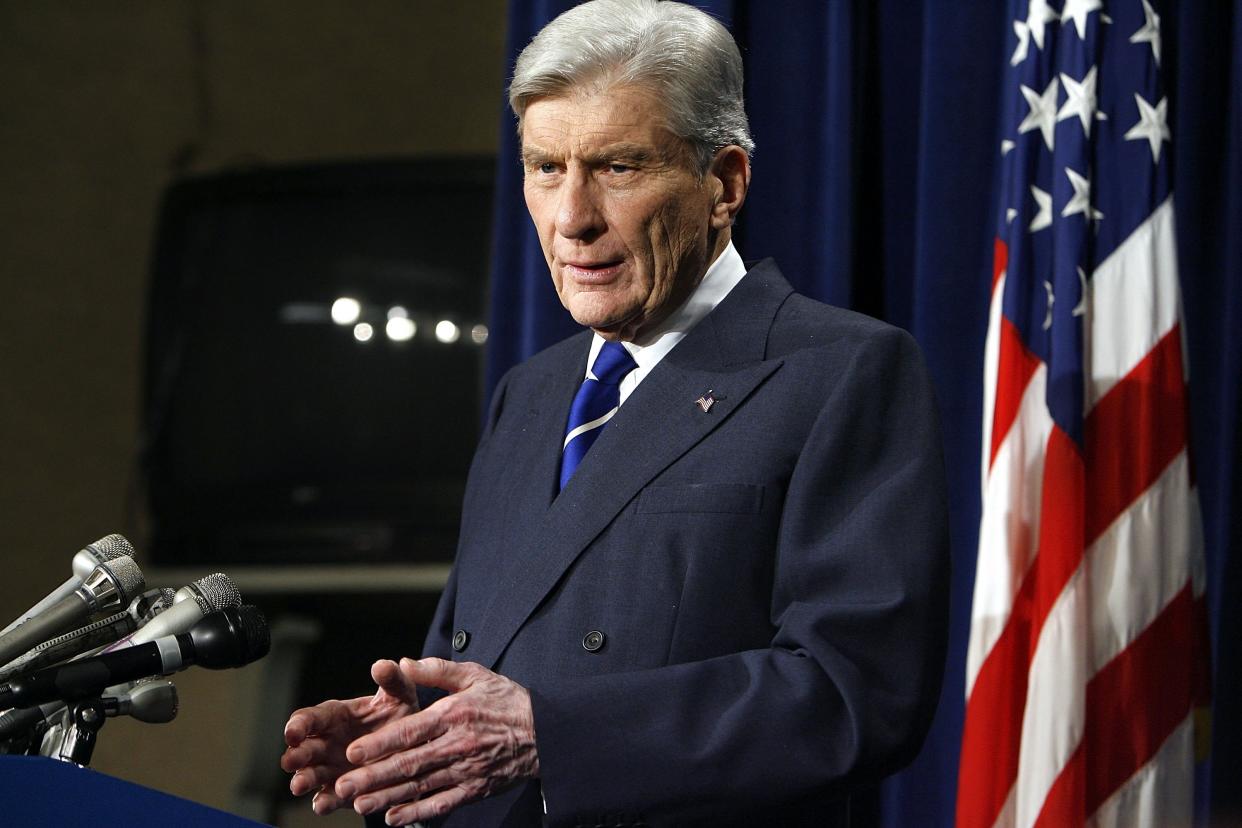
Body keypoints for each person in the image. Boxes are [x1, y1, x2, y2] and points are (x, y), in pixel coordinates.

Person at [281, 1, 950, 825]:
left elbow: (857, 694)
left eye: (619, 168)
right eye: (545, 168)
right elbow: (507, 658)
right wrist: (419, 730)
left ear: (725, 183)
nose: (572, 219)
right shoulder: (527, 395)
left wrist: (553, 736)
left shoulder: (839, 373)